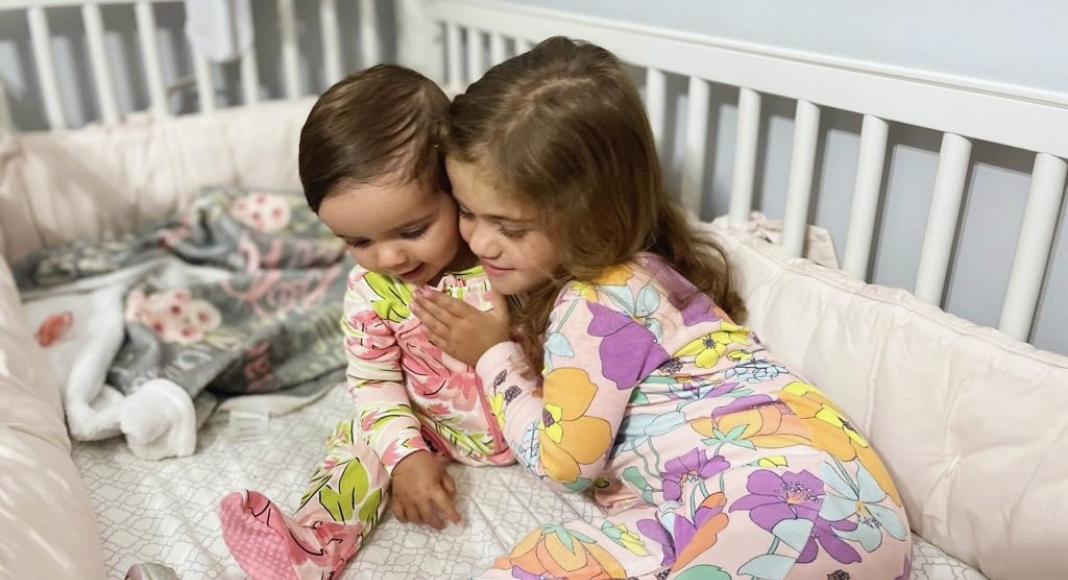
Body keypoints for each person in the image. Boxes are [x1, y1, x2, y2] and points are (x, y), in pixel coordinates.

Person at [413, 37, 911, 580]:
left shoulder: (598, 301)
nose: (481, 243)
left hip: (793, 499)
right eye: (466, 212)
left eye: (509, 227)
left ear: (594, 214)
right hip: (820, 500)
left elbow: (565, 465)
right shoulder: (649, 273)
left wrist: (493, 356)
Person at [218, 64, 513, 580]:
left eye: (413, 229)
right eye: (359, 242)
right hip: (430, 422)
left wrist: (497, 347)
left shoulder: (502, 257)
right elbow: (374, 382)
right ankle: (308, 548)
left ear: (456, 188)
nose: (390, 256)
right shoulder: (371, 291)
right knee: (360, 436)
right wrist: (404, 458)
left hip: (534, 422)